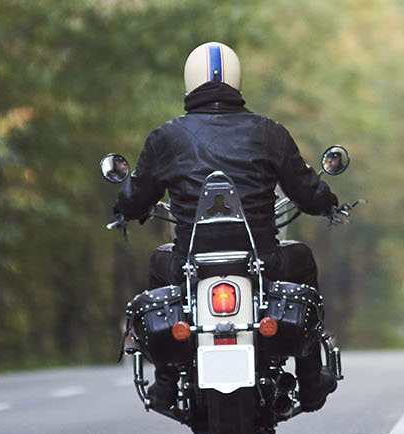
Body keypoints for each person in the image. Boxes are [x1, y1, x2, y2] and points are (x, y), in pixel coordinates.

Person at [112, 41, 343, 412]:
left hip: (190, 264)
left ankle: (166, 382)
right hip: (263, 262)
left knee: (159, 264)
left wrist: (124, 209)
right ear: (236, 81)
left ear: (189, 82)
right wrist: (327, 203)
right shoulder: (268, 131)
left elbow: (137, 196)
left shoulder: (166, 137)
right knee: (303, 259)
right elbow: (305, 188)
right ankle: (311, 377)